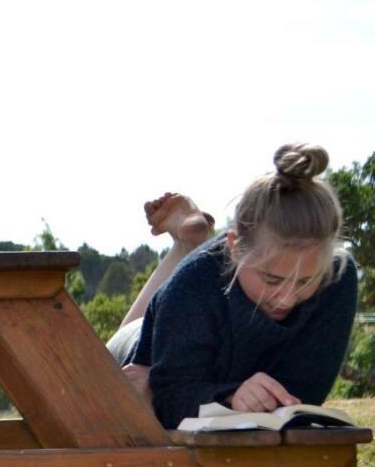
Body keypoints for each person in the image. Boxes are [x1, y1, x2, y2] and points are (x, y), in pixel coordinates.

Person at [109, 142, 358, 429]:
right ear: (235, 248)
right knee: (107, 376)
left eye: (305, 281)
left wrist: (250, 400)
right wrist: (231, 396)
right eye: (271, 279)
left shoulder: (336, 275)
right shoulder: (192, 283)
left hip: (192, 335)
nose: (286, 299)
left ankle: (186, 243)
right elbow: (171, 398)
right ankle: (186, 245)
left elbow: (303, 394)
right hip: (140, 351)